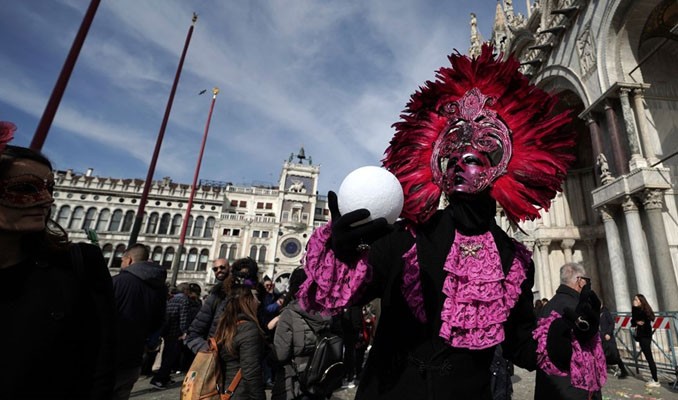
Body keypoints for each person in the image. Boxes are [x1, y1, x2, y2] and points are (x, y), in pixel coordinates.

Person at [297, 46, 600, 400]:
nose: (458, 161)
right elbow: (339, 295)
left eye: (475, 152)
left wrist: (574, 334)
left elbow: (521, 344)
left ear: (500, 162)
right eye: (451, 150)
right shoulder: (404, 237)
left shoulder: (514, 259)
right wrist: (345, 250)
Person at [0, 132, 116, 399]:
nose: (46, 200)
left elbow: (100, 364)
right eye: (26, 188)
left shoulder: (79, 265)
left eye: (49, 188)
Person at [535, 263, 606, 399]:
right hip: (576, 387)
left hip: (549, 385)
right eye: (587, 281)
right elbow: (589, 346)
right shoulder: (578, 307)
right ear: (579, 281)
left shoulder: (547, 307)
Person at [112, 242, 168, 399]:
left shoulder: (118, 282)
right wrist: (149, 344)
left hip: (109, 356)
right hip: (134, 357)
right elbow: (160, 320)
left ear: (129, 260)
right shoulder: (159, 288)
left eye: (122, 260)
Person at [271, 267, 333, 400]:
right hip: (318, 380)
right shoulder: (326, 313)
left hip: (293, 384)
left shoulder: (289, 314)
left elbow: (281, 355)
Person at [215, 284, 267, 399]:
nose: (258, 302)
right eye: (255, 297)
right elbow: (251, 373)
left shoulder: (226, 326)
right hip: (242, 394)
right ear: (246, 302)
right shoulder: (249, 329)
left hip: (226, 390)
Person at [185, 258, 234, 353]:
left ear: (230, 268)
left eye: (222, 267)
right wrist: (208, 349)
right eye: (215, 269)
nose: (218, 270)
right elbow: (194, 333)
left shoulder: (240, 292)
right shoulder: (215, 295)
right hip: (216, 351)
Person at [151, 282, 192, 389]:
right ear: (186, 290)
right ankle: (158, 379)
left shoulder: (172, 299)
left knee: (166, 355)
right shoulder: (184, 300)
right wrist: (184, 331)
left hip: (167, 332)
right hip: (176, 333)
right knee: (171, 357)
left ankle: (165, 378)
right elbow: (184, 317)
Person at [631, 294, 659, 387]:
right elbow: (633, 320)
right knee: (648, 357)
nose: (634, 301)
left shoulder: (643, 310)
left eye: (636, 299)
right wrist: (635, 321)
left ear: (640, 301)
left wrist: (637, 319)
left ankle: (655, 380)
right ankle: (654, 378)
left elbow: (648, 318)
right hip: (642, 335)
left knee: (649, 358)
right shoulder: (637, 309)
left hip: (645, 336)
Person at [599, 303, 628, 378]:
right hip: (601, 337)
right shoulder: (596, 313)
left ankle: (623, 371)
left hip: (608, 338)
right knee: (602, 355)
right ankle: (602, 371)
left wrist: (608, 333)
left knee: (614, 355)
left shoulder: (605, 312)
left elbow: (611, 323)